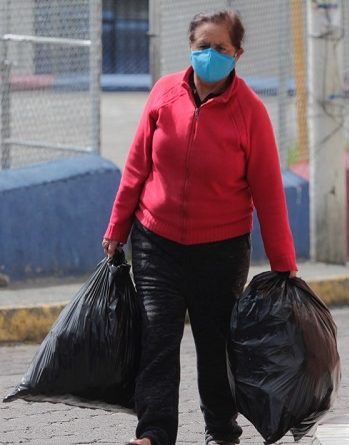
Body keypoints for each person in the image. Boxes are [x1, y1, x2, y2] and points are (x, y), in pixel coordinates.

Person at [102, 9, 298, 445]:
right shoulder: (163, 94)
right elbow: (136, 167)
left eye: (221, 48)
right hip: (156, 242)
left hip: (221, 250)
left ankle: (221, 431)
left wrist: (285, 264)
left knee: (216, 348)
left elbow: (268, 193)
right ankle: (153, 433)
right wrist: (116, 228)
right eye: (202, 46)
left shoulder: (250, 112)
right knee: (157, 340)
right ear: (190, 47)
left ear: (238, 54)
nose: (210, 55)